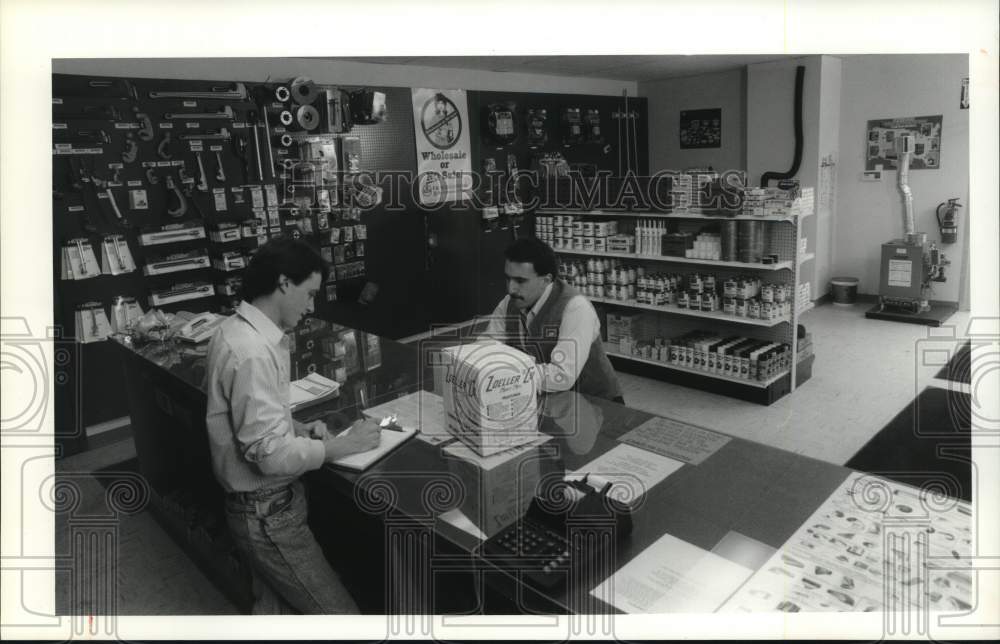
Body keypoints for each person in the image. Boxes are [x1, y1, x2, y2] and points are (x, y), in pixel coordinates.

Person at [204, 236, 382, 614]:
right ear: (284, 283)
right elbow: (268, 457)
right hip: (267, 516)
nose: (312, 306)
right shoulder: (252, 350)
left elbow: (250, 423)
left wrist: (294, 428)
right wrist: (342, 446)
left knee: (274, 614)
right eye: (310, 293)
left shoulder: (236, 331)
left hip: (255, 511)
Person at [482, 237, 624, 403]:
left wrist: (506, 377)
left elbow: (562, 375)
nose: (511, 288)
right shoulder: (509, 303)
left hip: (596, 403)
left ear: (546, 280)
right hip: (550, 401)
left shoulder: (575, 308)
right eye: (508, 278)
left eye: (520, 281)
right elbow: (488, 345)